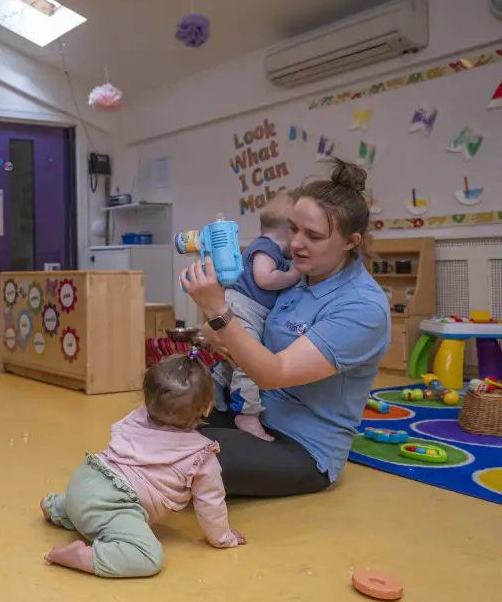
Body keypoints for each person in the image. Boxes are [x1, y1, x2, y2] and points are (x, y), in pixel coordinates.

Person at [180, 158, 390, 498]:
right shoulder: (292, 276)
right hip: (249, 413)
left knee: (173, 455)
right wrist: (215, 326)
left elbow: (272, 373)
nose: (296, 244)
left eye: (314, 235)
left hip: (300, 445)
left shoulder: (362, 307)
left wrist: (217, 309)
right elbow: (228, 332)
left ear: (352, 241)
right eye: (293, 229)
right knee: (147, 425)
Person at [39, 354, 245, 579]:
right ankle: (83, 556)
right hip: (109, 505)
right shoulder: (201, 456)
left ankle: (59, 507)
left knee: (93, 507)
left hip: (83, 480)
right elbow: (210, 504)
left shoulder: (138, 417)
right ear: (207, 408)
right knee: (148, 557)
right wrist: (223, 538)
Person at [209, 191, 301, 441]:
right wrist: (292, 275)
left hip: (245, 308)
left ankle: (215, 384)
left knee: (237, 359)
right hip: (243, 307)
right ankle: (247, 415)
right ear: (288, 231)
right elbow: (264, 277)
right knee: (249, 363)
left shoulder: (268, 247)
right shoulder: (266, 247)